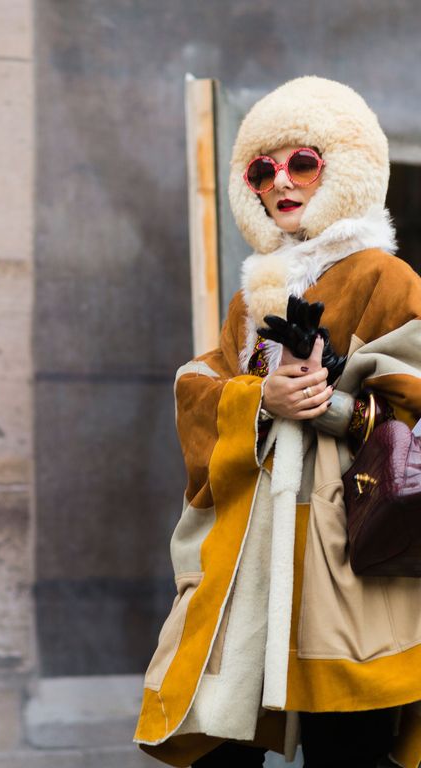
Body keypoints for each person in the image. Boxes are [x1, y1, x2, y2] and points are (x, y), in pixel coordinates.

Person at [133, 76, 421, 768]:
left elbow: (413, 409)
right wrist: (260, 401)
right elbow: (200, 386)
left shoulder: (384, 277)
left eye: (303, 162)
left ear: (344, 167)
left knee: (345, 748)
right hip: (252, 559)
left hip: (345, 565)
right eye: (262, 169)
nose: (281, 183)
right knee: (223, 740)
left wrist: (332, 405)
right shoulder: (253, 293)